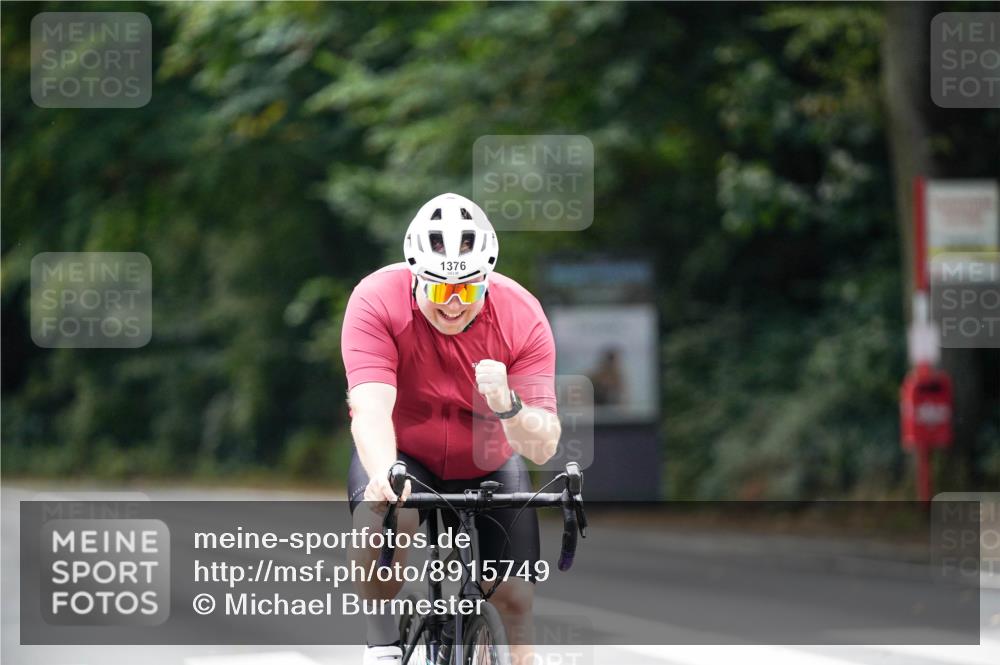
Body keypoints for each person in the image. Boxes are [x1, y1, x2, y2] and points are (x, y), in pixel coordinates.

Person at [341, 193, 561, 664]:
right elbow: (371, 407)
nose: (456, 304)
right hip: (406, 451)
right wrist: (383, 473)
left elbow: (542, 446)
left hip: (487, 456)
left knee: (516, 600)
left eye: (469, 289)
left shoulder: (520, 314)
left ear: (487, 280)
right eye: (442, 290)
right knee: (381, 521)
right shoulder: (376, 300)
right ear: (417, 276)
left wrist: (509, 404)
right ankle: (381, 644)